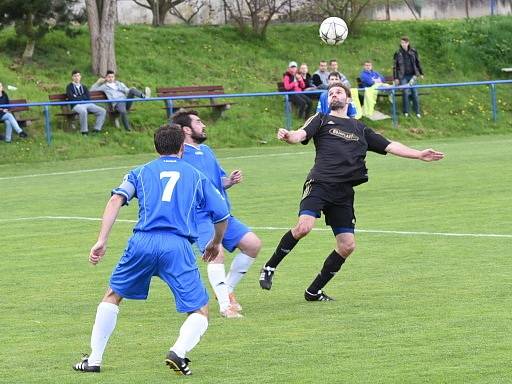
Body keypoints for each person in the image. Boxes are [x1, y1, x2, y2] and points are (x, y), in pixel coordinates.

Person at [259, 82, 444, 301]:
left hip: (343, 192)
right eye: (330, 93)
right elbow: (300, 134)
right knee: (304, 227)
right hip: (320, 183)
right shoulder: (321, 119)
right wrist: (288, 136)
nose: (333, 95)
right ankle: (270, 267)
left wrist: (418, 154)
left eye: (338, 92)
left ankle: (313, 291)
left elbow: (390, 145)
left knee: (347, 246)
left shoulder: (360, 129)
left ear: (348, 99)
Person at [73, 124, 230, 376]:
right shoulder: (195, 176)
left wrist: (102, 239)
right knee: (200, 310)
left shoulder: (140, 172)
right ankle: (178, 352)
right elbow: (222, 214)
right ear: (182, 147)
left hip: (142, 243)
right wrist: (215, 242)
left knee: (113, 295)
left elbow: (116, 199)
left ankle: (94, 359)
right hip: (177, 246)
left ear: (156, 147)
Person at [172, 110, 262, 318]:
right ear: (186, 129)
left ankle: (226, 289)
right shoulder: (180, 155)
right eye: (198, 122)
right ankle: (225, 306)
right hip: (199, 217)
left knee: (252, 245)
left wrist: (229, 181)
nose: (203, 125)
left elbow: (217, 181)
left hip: (221, 214)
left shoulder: (207, 150)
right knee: (216, 254)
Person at [66, 69, 106, 135]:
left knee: (102, 111)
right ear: (72, 77)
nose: (77, 77)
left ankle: (96, 129)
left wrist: (77, 97)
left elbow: (88, 97)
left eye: (78, 76)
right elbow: (71, 98)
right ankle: (84, 131)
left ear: (80, 77)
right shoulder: (69, 87)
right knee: (83, 111)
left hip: (87, 104)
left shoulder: (84, 87)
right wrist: (82, 97)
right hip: (76, 105)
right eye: (75, 76)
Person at [393, 36, 424, 117]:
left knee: (414, 92)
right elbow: (395, 67)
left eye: (404, 43)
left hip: (412, 76)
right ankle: (406, 111)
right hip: (402, 76)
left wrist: (421, 73)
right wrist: (396, 78)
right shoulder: (397, 53)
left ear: (408, 43)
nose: (402, 44)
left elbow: (418, 62)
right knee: (405, 92)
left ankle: (417, 111)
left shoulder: (413, 51)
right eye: (401, 43)